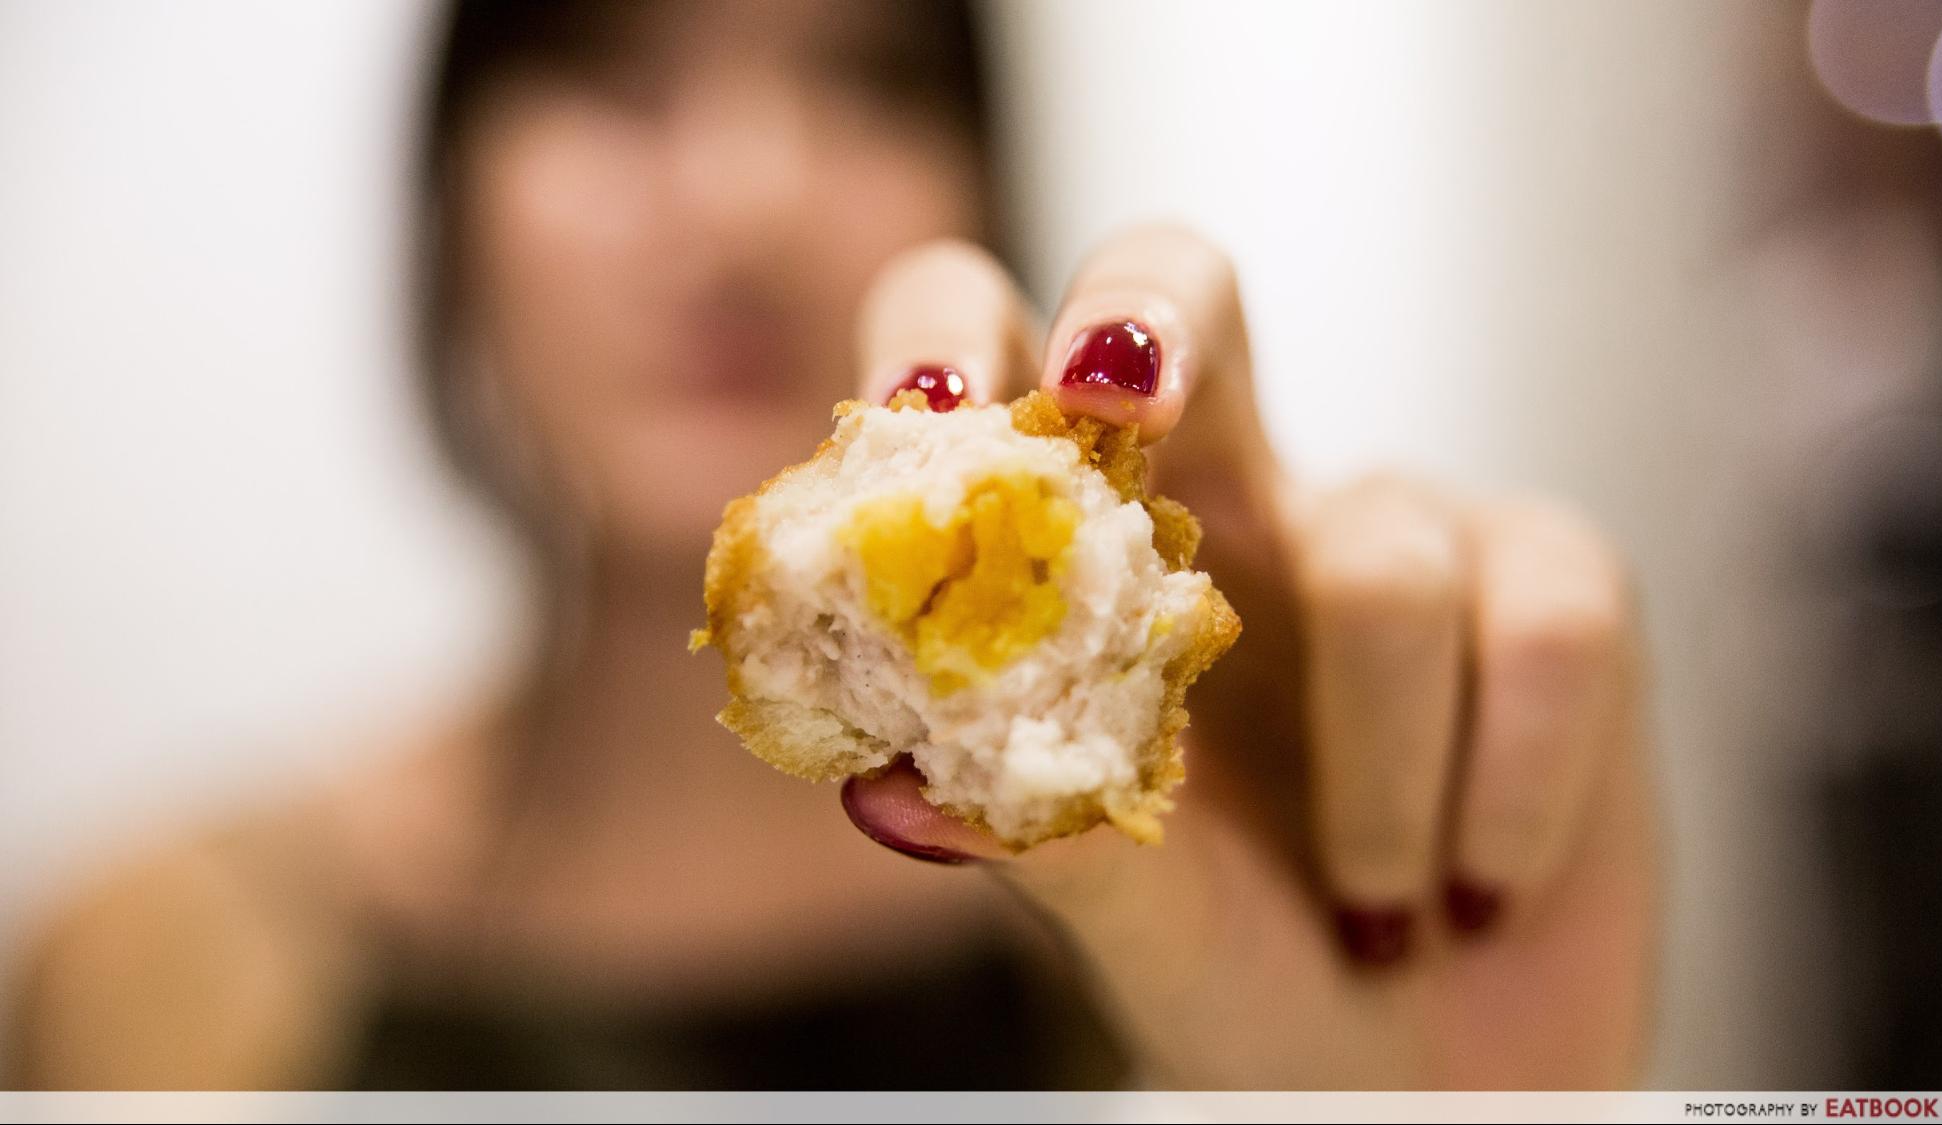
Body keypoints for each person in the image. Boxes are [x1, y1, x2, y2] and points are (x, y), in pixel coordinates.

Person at [3, 0, 1662, 1090]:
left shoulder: (1209, 931)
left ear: (985, 183)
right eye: (606, 66)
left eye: (870, 71)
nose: (742, 200)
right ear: (450, 204)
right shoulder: (155, 968)